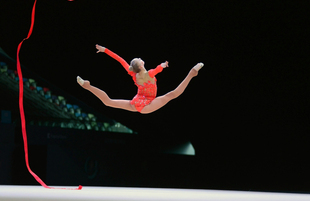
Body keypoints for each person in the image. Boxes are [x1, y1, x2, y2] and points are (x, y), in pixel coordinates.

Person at [77, 44, 204, 114]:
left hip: (137, 102)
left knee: (108, 102)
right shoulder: (149, 74)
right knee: (172, 95)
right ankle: (192, 73)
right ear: (141, 65)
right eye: (138, 59)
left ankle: (88, 86)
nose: (139, 58)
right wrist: (163, 66)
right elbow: (157, 69)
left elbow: (120, 59)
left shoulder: (133, 74)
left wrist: (105, 50)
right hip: (147, 104)